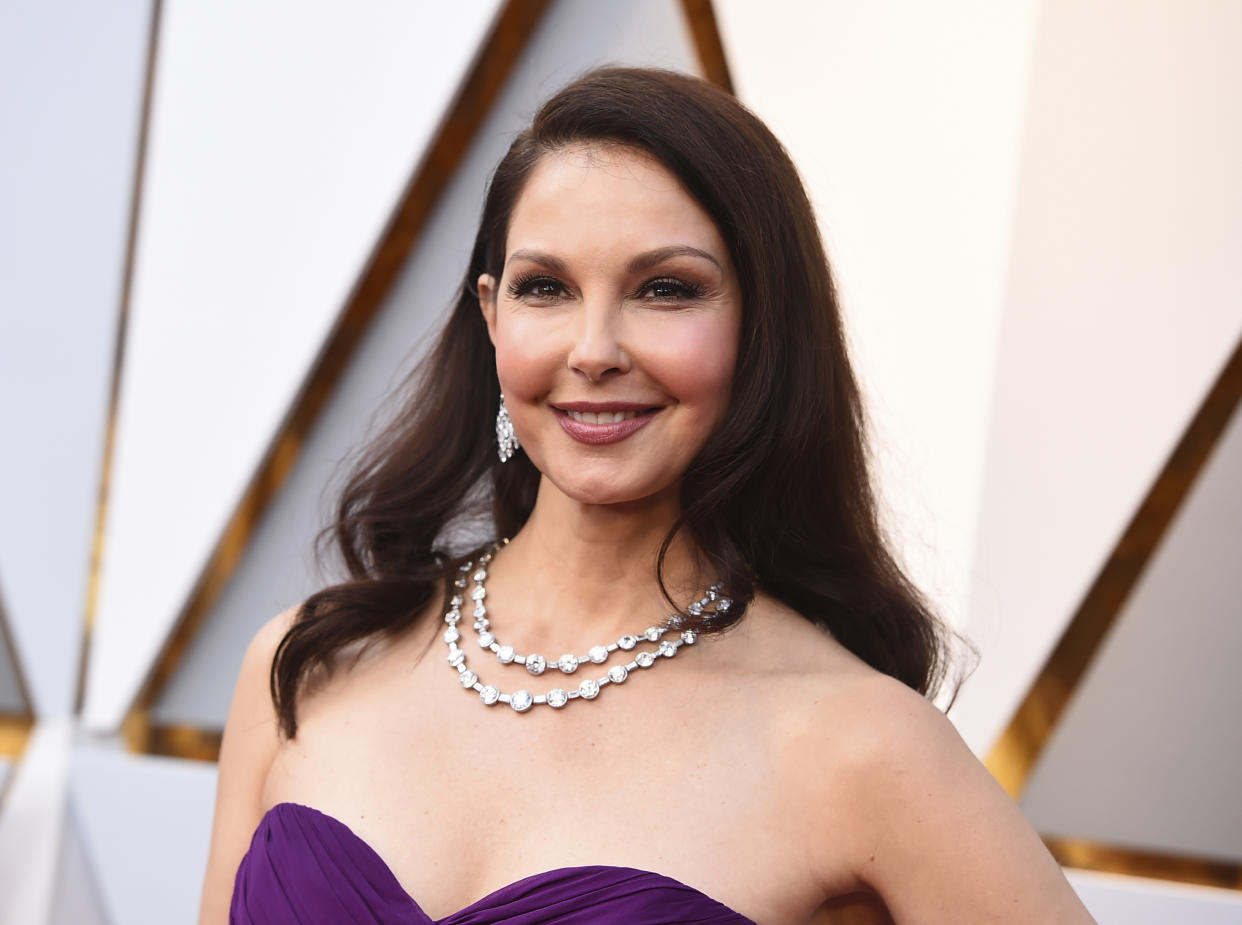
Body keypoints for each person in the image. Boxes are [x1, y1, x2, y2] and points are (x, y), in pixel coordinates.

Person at [199, 67, 1094, 924]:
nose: (594, 349)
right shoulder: (307, 665)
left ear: (763, 328)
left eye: (665, 289)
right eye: (545, 288)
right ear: (492, 316)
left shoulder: (861, 746)